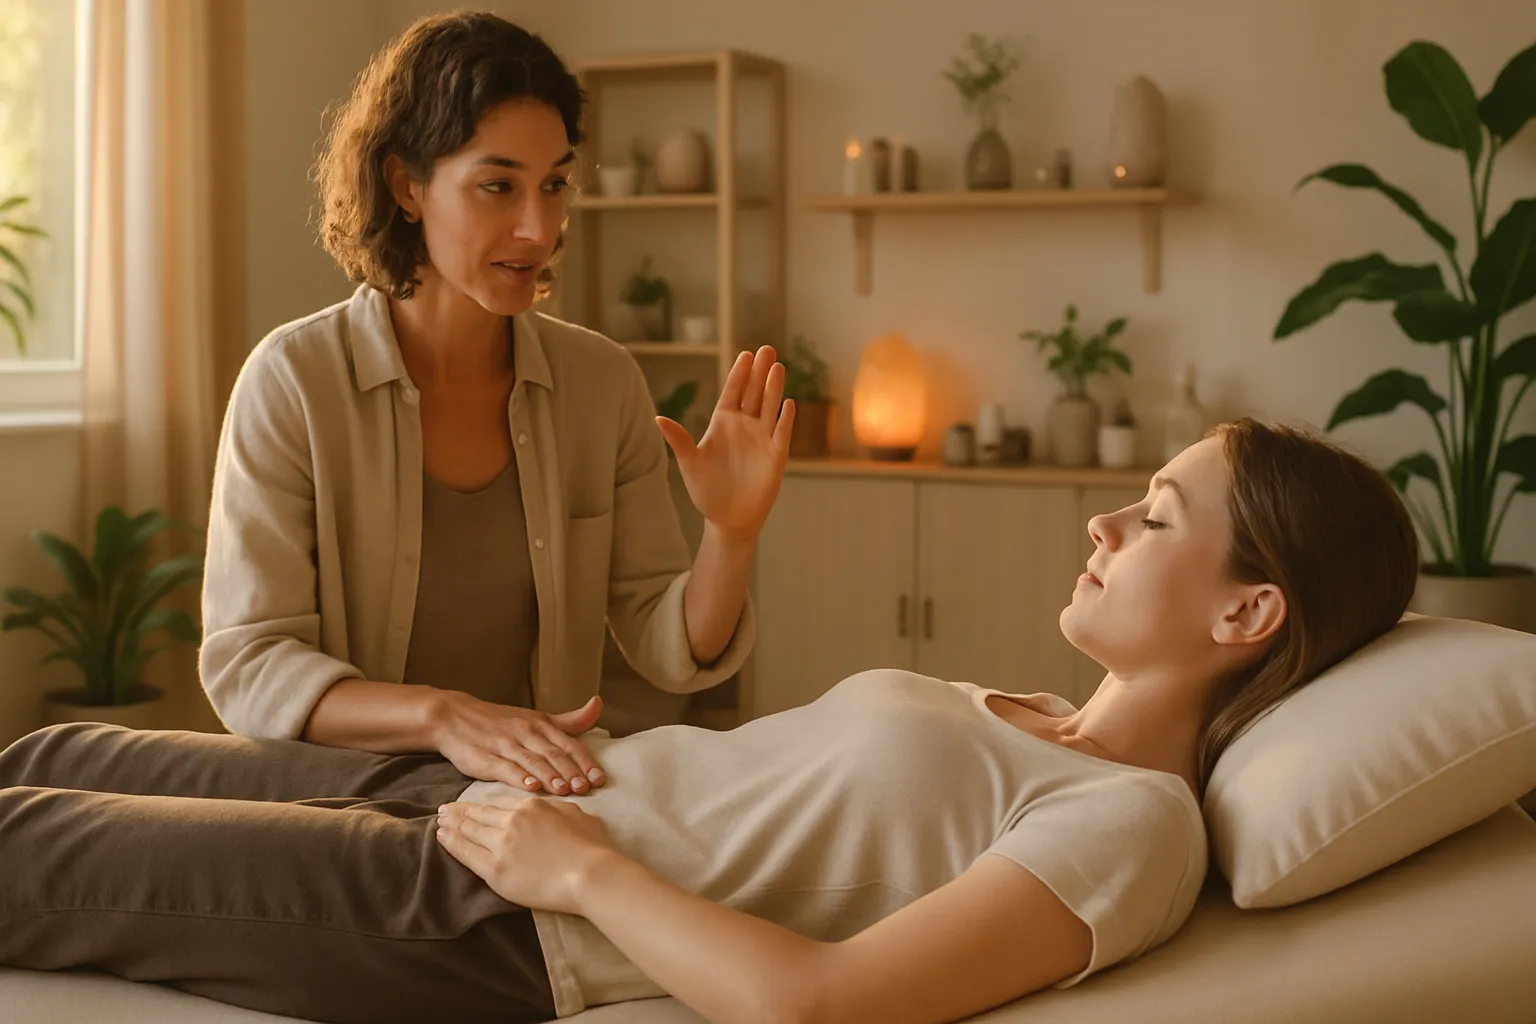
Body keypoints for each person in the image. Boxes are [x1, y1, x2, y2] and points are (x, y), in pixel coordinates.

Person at [0, 419, 1419, 1023]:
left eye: (1160, 517)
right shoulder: (1037, 717)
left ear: (1248, 615)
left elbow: (820, 1007)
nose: (1106, 518)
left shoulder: (1133, 824)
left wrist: (580, 872)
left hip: (503, 917)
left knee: (35, 844)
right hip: (489, 801)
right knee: (55, 753)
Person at [199, 11, 793, 798]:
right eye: (498, 186)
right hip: (349, 807)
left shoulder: (601, 381)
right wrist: (445, 718)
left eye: (553, 184)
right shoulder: (293, 381)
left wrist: (731, 532)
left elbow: (667, 643)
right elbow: (251, 663)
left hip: (543, 802)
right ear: (406, 185)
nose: (537, 226)